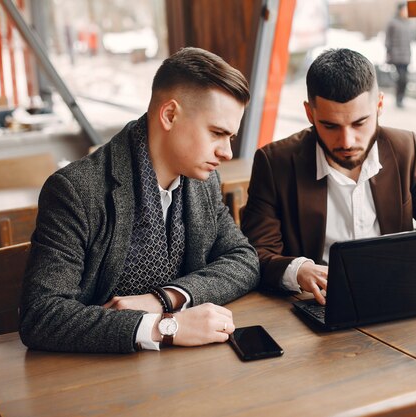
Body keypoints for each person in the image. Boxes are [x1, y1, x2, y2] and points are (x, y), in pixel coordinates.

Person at [19, 47, 260, 353]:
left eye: (231, 137)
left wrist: (165, 299)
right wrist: (165, 327)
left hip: (188, 366)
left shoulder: (204, 179)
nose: (226, 152)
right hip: (96, 374)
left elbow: (243, 259)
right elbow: (40, 315)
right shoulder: (75, 190)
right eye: (216, 133)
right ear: (169, 115)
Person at [240, 48, 416, 305]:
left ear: (379, 106)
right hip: (318, 304)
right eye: (330, 126)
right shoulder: (275, 162)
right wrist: (298, 270)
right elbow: (256, 254)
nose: (347, 141)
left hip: (398, 297)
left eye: (360, 123)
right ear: (310, 114)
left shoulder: (404, 148)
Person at [385, 2, 415, 108]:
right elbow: (387, 39)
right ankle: (399, 99)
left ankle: (401, 98)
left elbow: (413, 37)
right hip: (396, 56)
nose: (405, 12)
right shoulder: (392, 22)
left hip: (406, 56)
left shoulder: (409, 23)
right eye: (404, 10)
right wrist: (388, 52)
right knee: (401, 78)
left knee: (405, 79)